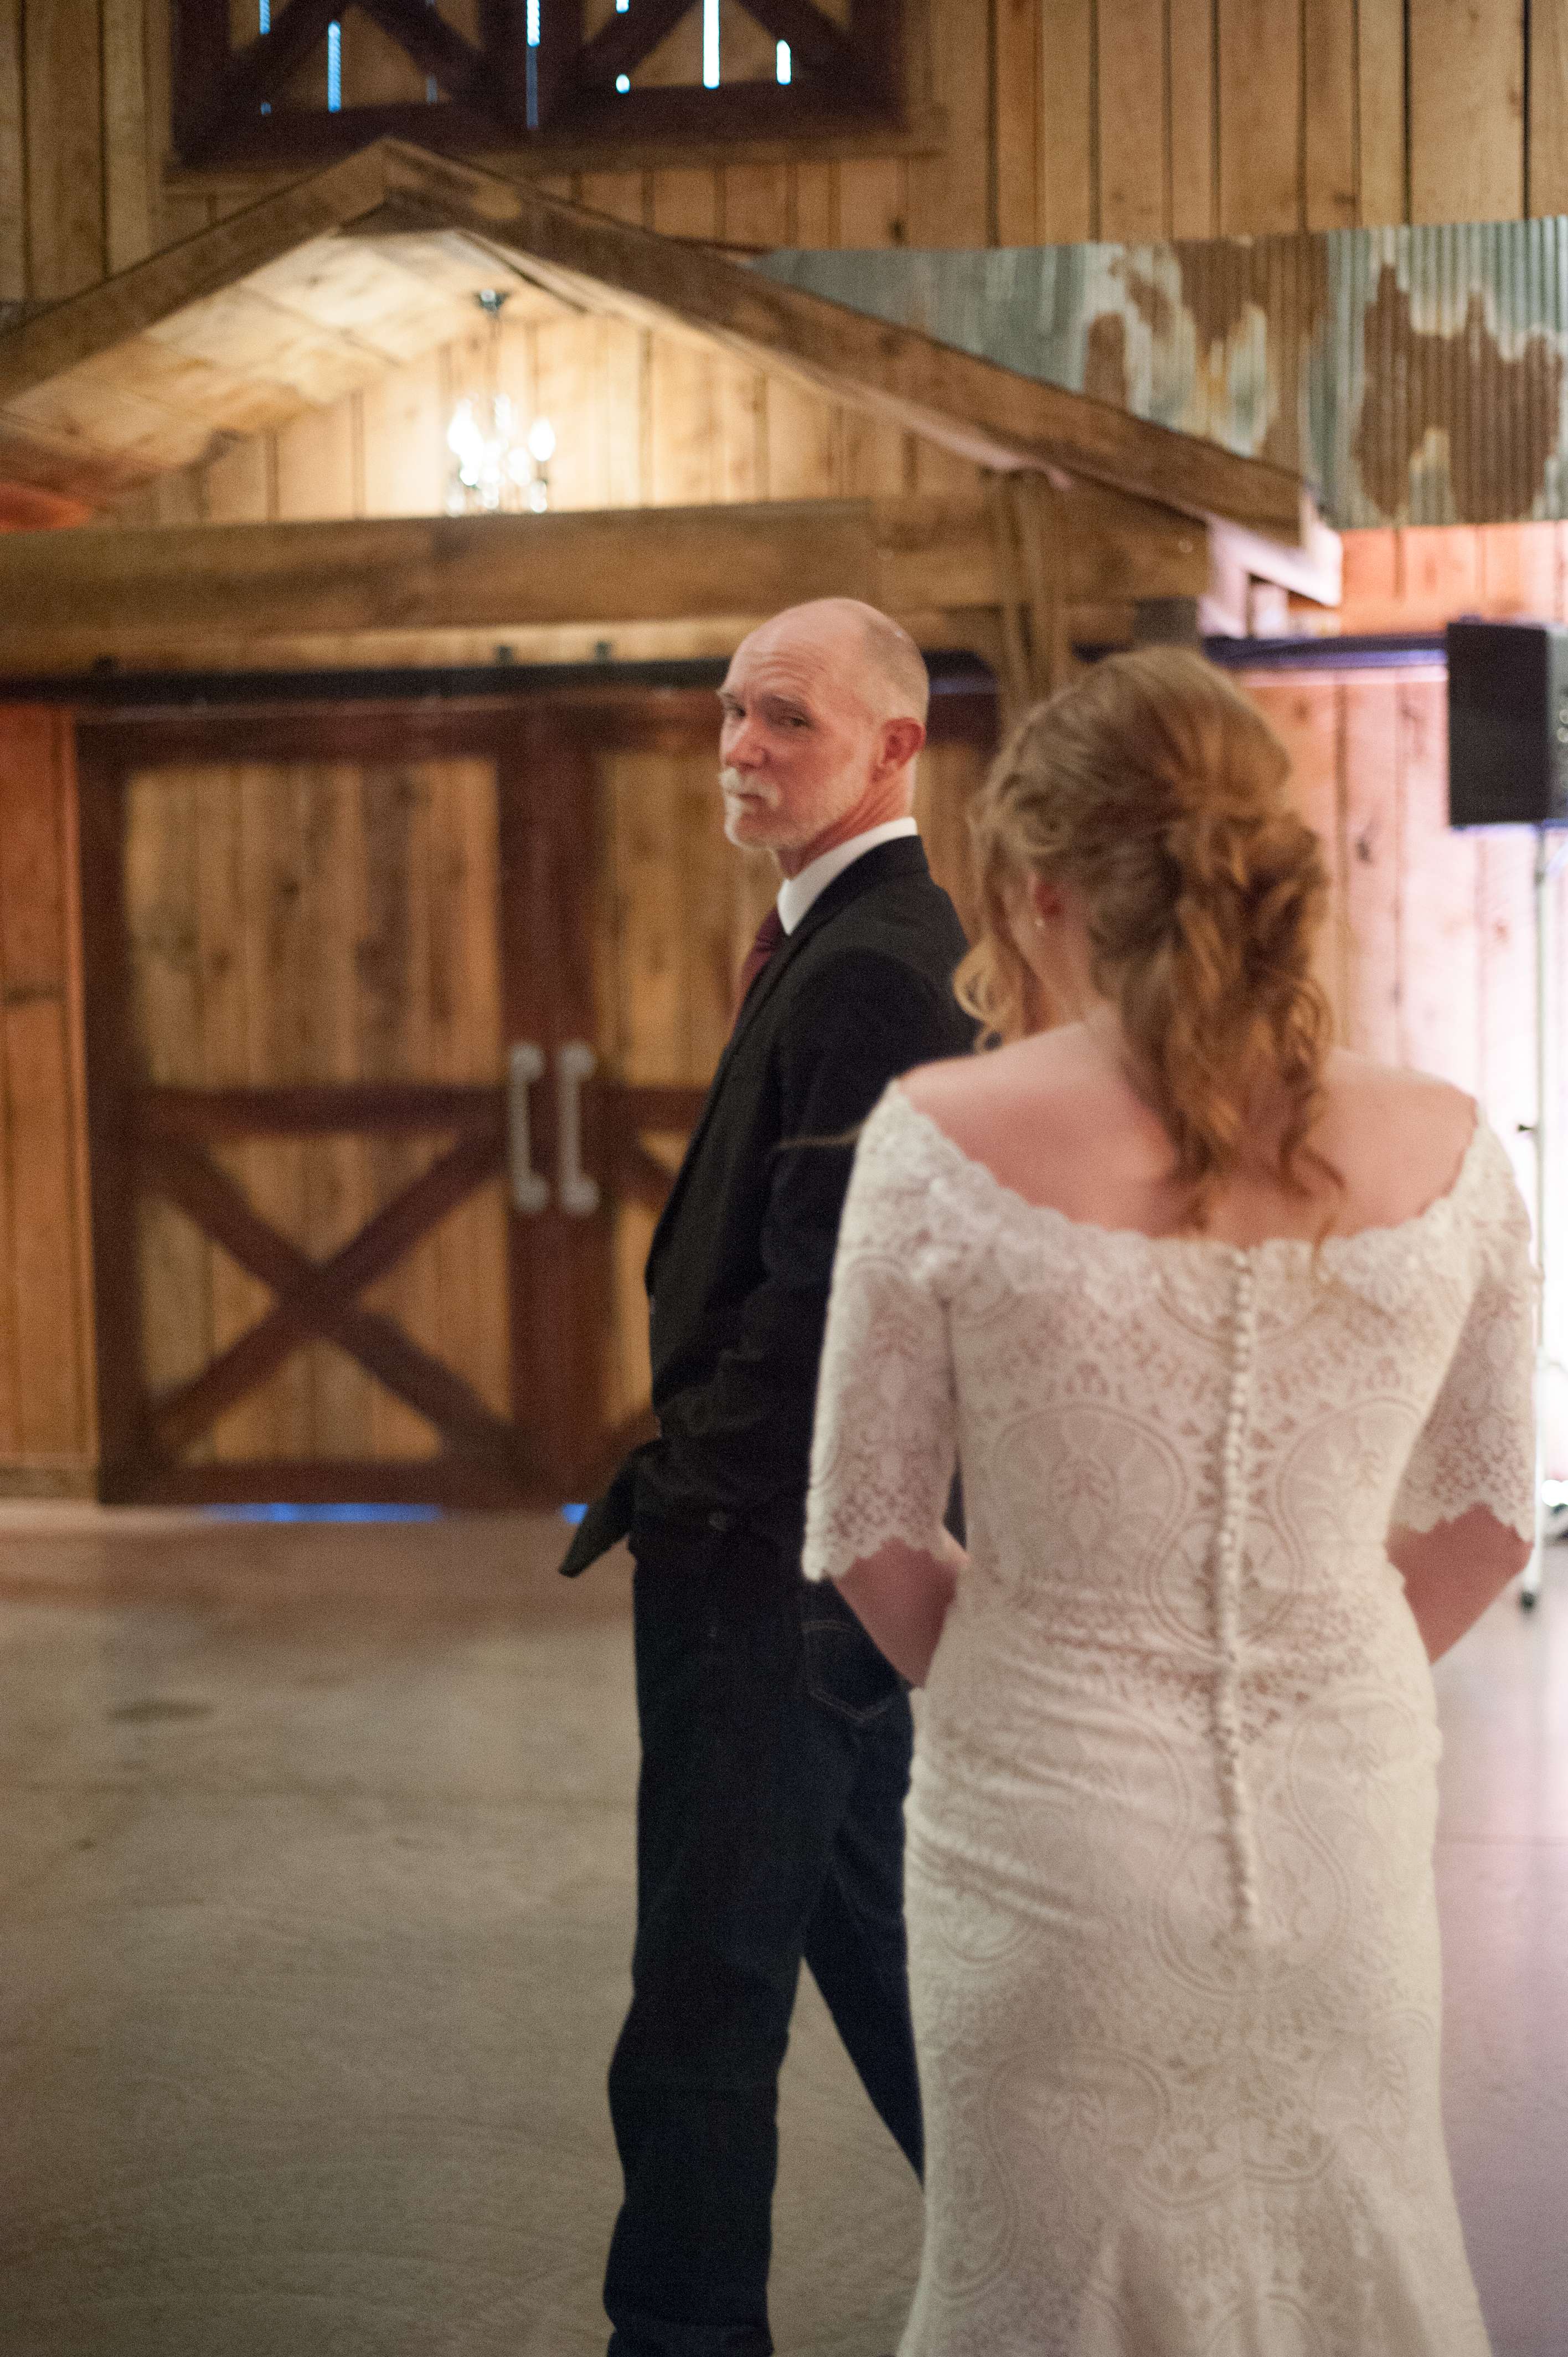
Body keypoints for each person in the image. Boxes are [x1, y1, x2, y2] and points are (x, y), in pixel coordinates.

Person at [803, 646, 1538, 2356]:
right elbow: (1498, 1515)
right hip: (1342, 1833)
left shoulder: (943, 1131)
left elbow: (865, 1526)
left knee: (1045, 2292)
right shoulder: (1447, 1146)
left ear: (1044, 887)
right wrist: (1325, 1654)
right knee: (1349, 2258)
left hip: (1042, 1833)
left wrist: (1028, 1689)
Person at [559, 596, 976, 2356]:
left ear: (896, 747)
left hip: (771, 1572)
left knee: (703, 2002)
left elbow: (829, 1320)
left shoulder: (878, 961)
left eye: (787, 719)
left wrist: (692, 1494)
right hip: (789, 1559)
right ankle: (1069, 2240)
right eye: (731, 711)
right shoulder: (832, 939)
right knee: (871, 1956)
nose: (741, 746)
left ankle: (680, 2334)